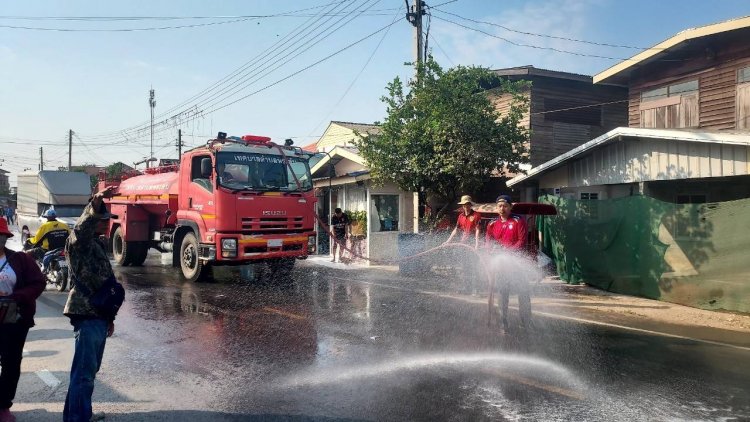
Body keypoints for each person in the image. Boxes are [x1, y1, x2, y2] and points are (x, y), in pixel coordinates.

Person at [63, 186, 119, 422]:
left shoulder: (96, 245)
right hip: (86, 314)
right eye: (102, 220)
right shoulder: (80, 242)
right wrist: (96, 202)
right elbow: (81, 229)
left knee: (88, 372)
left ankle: (79, 414)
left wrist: (109, 318)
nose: (106, 225)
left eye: (107, 220)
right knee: (84, 374)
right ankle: (77, 418)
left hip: (98, 315)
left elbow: (105, 284)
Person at [0, 217, 45, 422]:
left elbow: (38, 283)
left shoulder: (21, 259)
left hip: (14, 319)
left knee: (10, 362)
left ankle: (3, 405)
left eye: (1, 236)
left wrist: (18, 297)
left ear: (6, 238)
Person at [485, 195, 531, 328]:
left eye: (505, 206)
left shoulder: (518, 220)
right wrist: (490, 252)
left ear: (510, 207)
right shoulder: (492, 223)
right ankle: (503, 321)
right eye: (499, 206)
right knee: (502, 292)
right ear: (496, 208)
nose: (502, 208)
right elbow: (488, 241)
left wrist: (507, 252)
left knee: (523, 291)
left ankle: (526, 321)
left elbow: (522, 241)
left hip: (517, 263)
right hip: (501, 265)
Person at [444, 195, 482, 294]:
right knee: (465, 267)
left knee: (474, 267)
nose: (466, 206)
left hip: (473, 244)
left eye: (468, 204)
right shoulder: (460, 216)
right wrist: (448, 241)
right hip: (464, 244)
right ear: (462, 205)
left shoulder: (476, 215)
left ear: (470, 205)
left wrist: (477, 244)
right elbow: (456, 230)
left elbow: (478, 230)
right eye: (464, 205)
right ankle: (467, 288)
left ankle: (477, 289)